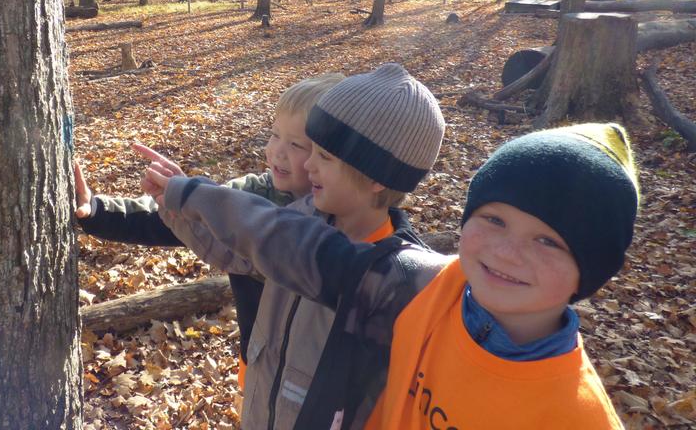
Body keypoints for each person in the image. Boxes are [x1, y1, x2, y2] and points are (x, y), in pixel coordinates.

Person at [146, 122, 639, 429]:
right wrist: (191, 195)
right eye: (494, 219)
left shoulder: (576, 415)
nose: (508, 252)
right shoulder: (418, 286)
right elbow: (289, 243)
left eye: (548, 241)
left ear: (591, 271)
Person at [140, 63, 446, 428]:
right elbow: (237, 250)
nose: (309, 164)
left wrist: (193, 195)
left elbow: (263, 230)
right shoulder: (303, 214)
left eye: (325, 156)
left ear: (377, 178)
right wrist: (174, 207)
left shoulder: (396, 280)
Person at [74, 73, 343, 387]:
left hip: (319, 376)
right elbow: (182, 220)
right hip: (259, 362)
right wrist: (100, 210)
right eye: (274, 135)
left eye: (296, 144)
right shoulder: (254, 194)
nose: (277, 151)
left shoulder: (346, 217)